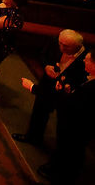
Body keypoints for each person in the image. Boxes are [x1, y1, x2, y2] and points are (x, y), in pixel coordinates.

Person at [14, 29, 87, 145]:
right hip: (47, 82)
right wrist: (46, 66)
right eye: (60, 44)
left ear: (77, 46)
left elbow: (80, 80)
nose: (61, 48)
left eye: (66, 46)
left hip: (66, 95)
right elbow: (43, 55)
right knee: (39, 112)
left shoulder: (86, 58)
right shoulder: (55, 40)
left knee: (63, 124)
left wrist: (32, 87)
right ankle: (33, 137)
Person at [40, 50, 95, 184]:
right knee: (65, 148)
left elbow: (80, 105)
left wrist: (64, 95)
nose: (83, 61)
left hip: (78, 126)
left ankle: (62, 177)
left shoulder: (93, 87)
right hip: (74, 122)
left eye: (87, 60)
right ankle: (56, 169)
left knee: (71, 152)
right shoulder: (91, 80)